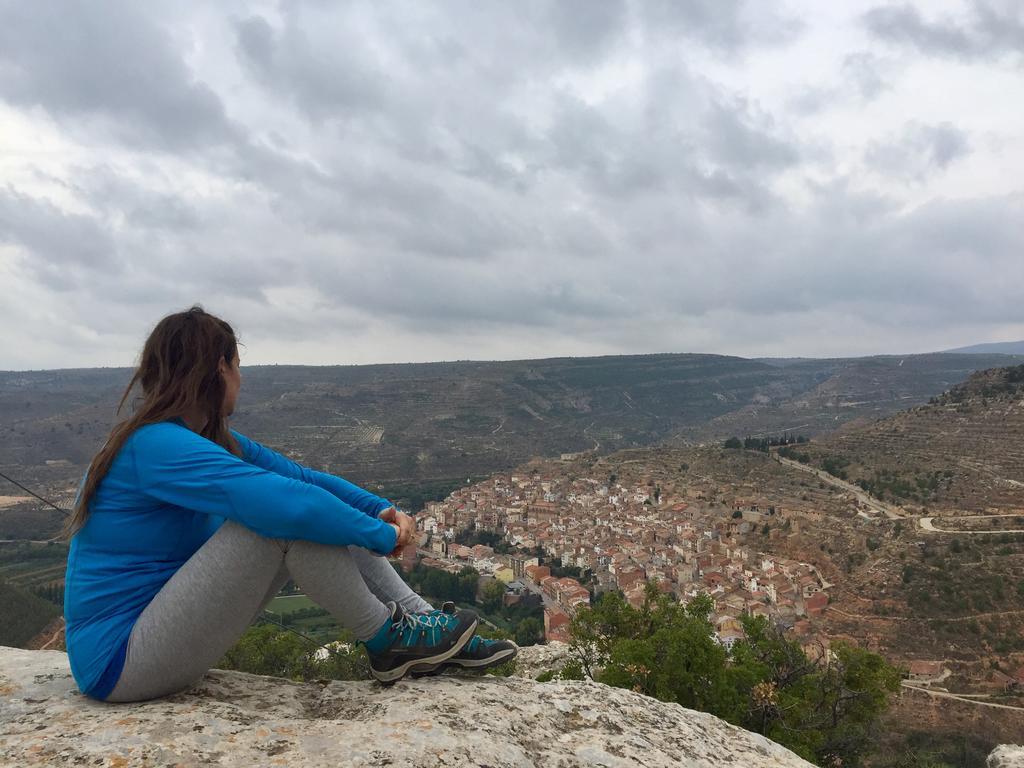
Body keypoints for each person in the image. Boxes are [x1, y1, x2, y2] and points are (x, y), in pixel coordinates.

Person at [62, 306, 516, 703]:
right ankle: (388, 640)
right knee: (281, 520)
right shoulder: (157, 446)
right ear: (219, 369)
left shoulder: (198, 439)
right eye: (237, 366)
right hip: (118, 661)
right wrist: (382, 537)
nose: (242, 377)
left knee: (309, 508)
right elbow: (293, 506)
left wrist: (380, 510)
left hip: (158, 637)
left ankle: (423, 625)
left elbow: (299, 478)